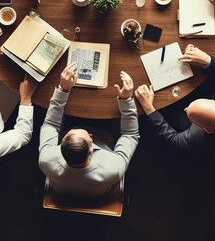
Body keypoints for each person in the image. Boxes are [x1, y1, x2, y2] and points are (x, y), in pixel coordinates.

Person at [134, 45, 215, 164]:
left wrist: (149, 108)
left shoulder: (196, 141)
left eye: (188, 112)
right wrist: (207, 60)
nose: (186, 109)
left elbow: (172, 139)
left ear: (207, 129)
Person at [38, 63, 140, 198]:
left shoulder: (46, 159)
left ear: (62, 141)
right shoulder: (113, 168)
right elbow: (130, 134)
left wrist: (63, 90)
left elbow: (50, 124)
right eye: (89, 136)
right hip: (100, 190)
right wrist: (126, 99)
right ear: (91, 149)